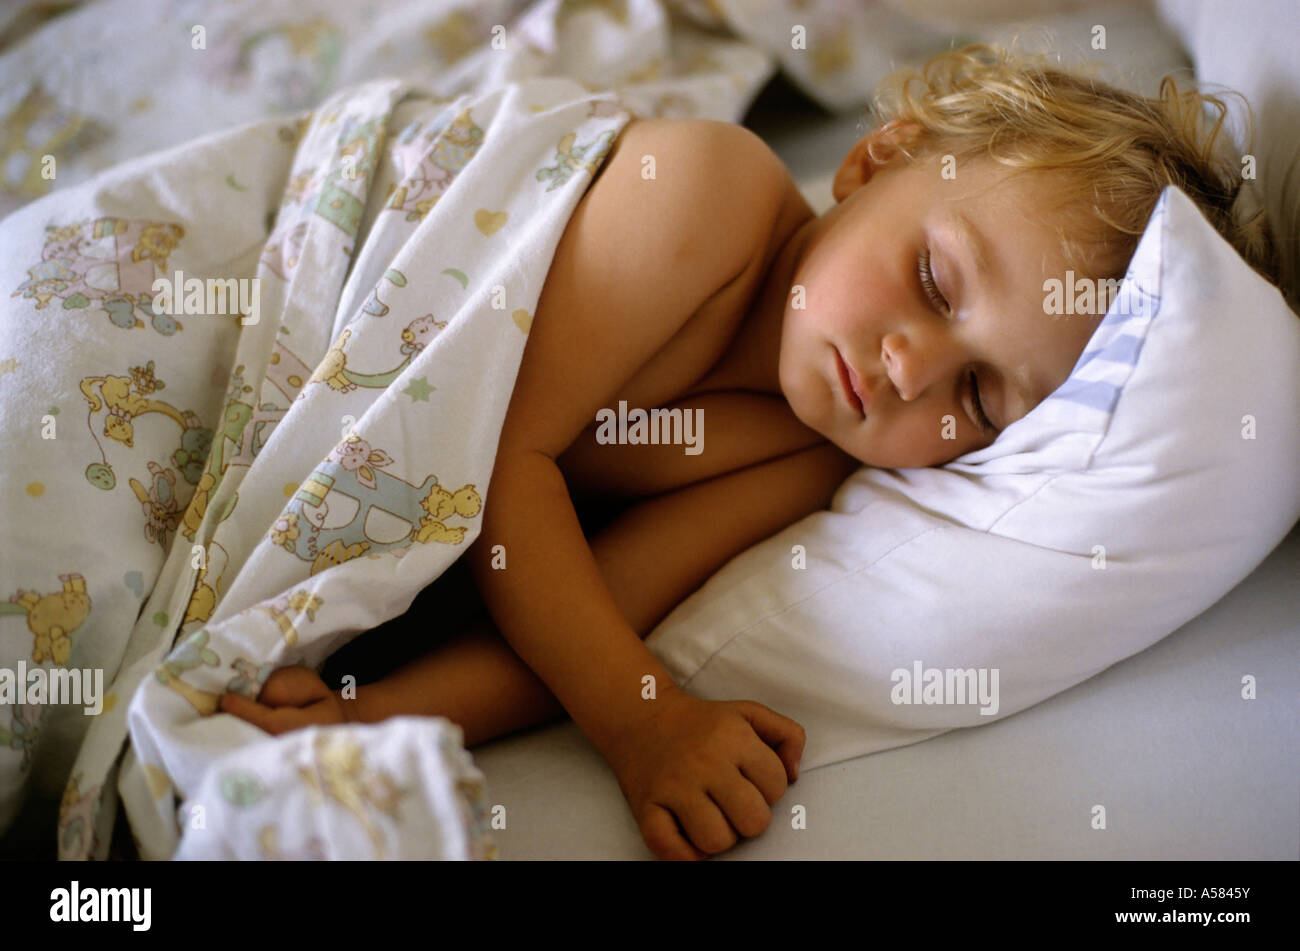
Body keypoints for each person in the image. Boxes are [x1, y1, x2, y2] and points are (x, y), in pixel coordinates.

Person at [220, 44, 1277, 860]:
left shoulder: (800, 461)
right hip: (278, 282)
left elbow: (601, 613)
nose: (912, 367)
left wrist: (364, 723)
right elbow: (490, 463)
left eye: (980, 397)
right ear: (874, 164)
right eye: (936, 283)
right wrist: (644, 727)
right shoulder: (706, 197)